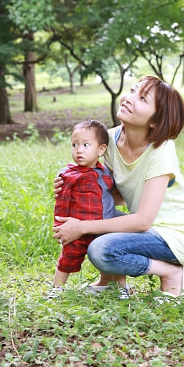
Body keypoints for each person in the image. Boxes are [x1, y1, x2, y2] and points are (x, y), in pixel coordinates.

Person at [53, 76, 184, 300]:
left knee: (101, 249)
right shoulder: (110, 140)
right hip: (146, 228)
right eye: (133, 91)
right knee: (92, 214)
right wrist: (76, 188)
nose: (129, 98)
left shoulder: (161, 150)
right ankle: (112, 283)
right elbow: (113, 196)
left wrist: (83, 227)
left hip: (176, 234)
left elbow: (142, 220)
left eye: (142, 98)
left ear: (155, 120)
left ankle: (172, 272)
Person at [47, 120, 127, 299]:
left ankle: (122, 288)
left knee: (110, 258)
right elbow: (62, 202)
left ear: (101, 150)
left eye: (85, 145)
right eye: (74, 145)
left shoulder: (105, 173)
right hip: (76, 228)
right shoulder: (68, 174)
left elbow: (112, 194)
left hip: (101, 226)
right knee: (67, 258)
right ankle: (56, 289)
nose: (79, 150)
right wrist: (60, 225)